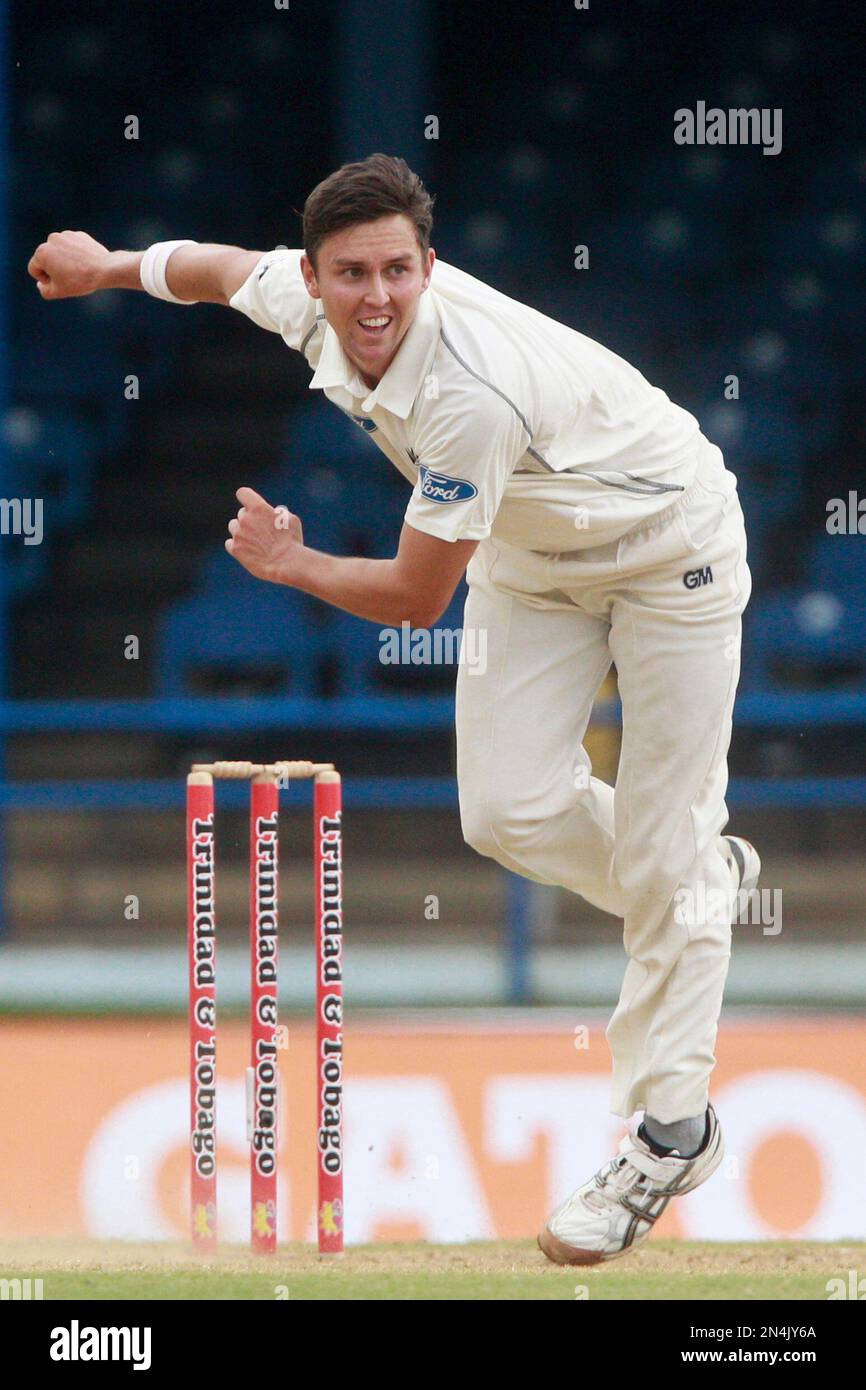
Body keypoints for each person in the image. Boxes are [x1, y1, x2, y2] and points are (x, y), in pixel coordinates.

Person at [29, 152, 760, 1265]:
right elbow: (220, 269)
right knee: (508, 815)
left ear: (431, 267)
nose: (374, 298)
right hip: (532, 553)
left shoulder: (467, 389)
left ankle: (668, 1130)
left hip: (672, 555)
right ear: (315, 277)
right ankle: (693, 884)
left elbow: (418, 595)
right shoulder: (303, 295)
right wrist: (108, 266)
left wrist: (291, 564)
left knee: (663, 847)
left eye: (396, 273)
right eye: (350, 274)